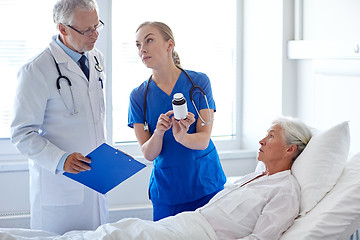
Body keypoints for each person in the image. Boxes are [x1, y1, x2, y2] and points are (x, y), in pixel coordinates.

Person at [1, 116, 312, 240]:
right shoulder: (255, 176)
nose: (261, 141)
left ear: (289, 149)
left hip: (196, 235)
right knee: (112, 232)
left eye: (270, 136)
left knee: (112, 237)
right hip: (185, 224)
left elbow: (260, 239)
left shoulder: (285, 191)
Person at [10, 0, 107, 234]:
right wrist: (61, 160)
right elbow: (22, 133)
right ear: (62, 29)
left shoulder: (96, 59)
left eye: (97, 26)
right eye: (86, 30)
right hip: (60, 188)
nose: (94, 35)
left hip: (96, 180)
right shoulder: (36, 69)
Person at [128, 21, 227, 221]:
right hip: (168, 191)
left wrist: (182, 136)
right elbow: (148, 153)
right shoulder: (139, 95)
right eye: (138, 45)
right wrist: (158, 132)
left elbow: (203, 140)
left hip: (205, 183)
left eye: (149, 40)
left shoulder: (198, 83)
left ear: (169, 45)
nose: (143, 49)